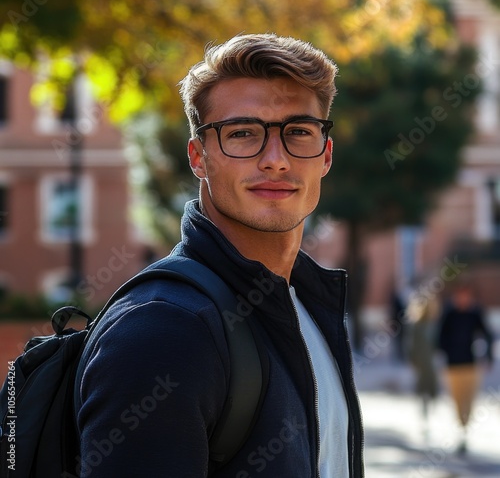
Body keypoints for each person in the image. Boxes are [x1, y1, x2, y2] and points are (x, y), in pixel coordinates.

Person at [75, 33, 364, 477]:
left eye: (299, 132)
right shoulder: (164, 330)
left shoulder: (305, 303)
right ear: (198, 157)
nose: (275, 160)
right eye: (243, 133)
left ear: (325, 155)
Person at [437, 281, 494, 454]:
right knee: (457, 399)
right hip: (453, 365)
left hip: (470, 365)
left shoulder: (475, 314)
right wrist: (444, 354)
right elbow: (440, 339)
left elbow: (488, 335)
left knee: (468, 400)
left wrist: (487, 356)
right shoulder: (449, 315)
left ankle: (465, 429)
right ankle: (460, 428)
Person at [405, 290, 440, 439]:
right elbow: (412, 346)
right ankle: (425, 419)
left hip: (430, 364)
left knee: (431, 392)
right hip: (422, 364)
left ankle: (429, 418)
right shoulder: (417, 326)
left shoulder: (434, 324)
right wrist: (414, 361)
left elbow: (438, 344)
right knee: (423, 392)